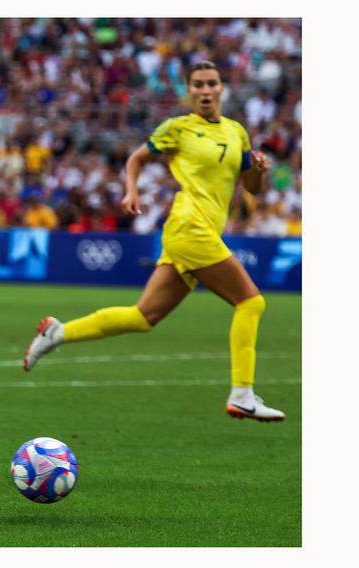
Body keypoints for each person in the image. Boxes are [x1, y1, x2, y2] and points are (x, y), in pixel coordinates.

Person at [23, 61, 285, 422]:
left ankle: (57, 332)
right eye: (198, 85)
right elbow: (137, 158)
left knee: (143, 316)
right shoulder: (178, 128)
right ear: (189, 91)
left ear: (222, 88)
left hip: (200, 232)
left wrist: (257, 170)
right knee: (250, 302)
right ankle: (242, 394)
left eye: (212, 83)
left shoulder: (236, 132)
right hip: (189, 227)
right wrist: (131, 189)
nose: (206, 90)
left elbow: (250, 186)